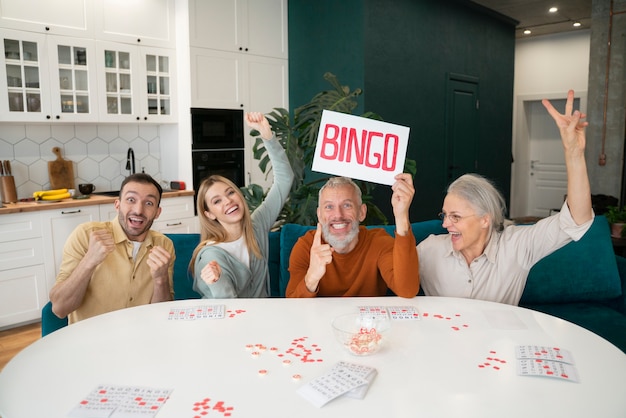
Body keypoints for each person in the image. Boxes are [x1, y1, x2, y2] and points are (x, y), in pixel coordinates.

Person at [418, 89, 594, 305]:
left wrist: (574, 153)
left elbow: (577, 220)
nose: (445, 224)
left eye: (455, 217)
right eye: (445, 215)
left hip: (498, 339)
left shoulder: (516, 247)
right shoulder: (429, 250)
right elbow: (392, 277)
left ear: (485, 219)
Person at [190, 112, 294, 298]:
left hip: (262, 318)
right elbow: (230, 309)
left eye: (230, 192)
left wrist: (267, 135)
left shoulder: (256, 225)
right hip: (230, 323)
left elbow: (284, 180)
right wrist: (217, 282)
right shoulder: (211, 256)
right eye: (217, 201)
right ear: (210, 214)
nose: (228, 201)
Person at [49, 173, 175, 323]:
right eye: (131, 200)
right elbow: (60, 309)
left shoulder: (164, 245)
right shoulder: (85, 235)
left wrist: (161, 279)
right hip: (90, 341)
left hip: (140, 338)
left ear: (157, 212)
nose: (138, 210)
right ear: (117, 205)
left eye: (148, 203)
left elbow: (163, 315)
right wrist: (89, 261)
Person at [286, 174, 419, 298]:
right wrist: (311, 277)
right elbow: (292, 310)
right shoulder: (306, 247)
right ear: (319, 215)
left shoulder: (379, 242)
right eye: (329, 207)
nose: (338, 215)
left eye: (347, 205)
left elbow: (407, 290)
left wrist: (401, 215)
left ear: (362, 212)